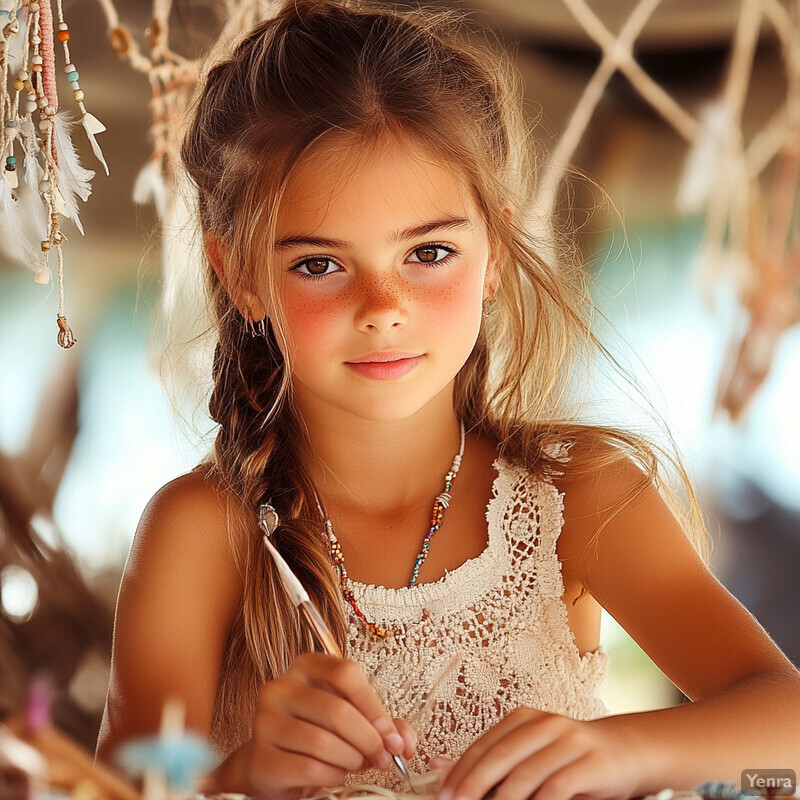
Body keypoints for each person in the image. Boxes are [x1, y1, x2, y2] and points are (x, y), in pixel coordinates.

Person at [94, 0, 800, 798]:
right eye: (320, 264)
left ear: (494, 250)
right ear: (240, 276)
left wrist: (623, 753)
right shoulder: (203, 534)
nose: (383, 305)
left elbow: (787, 724)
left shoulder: (578, 494)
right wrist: (239, 779)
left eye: (428, 252)